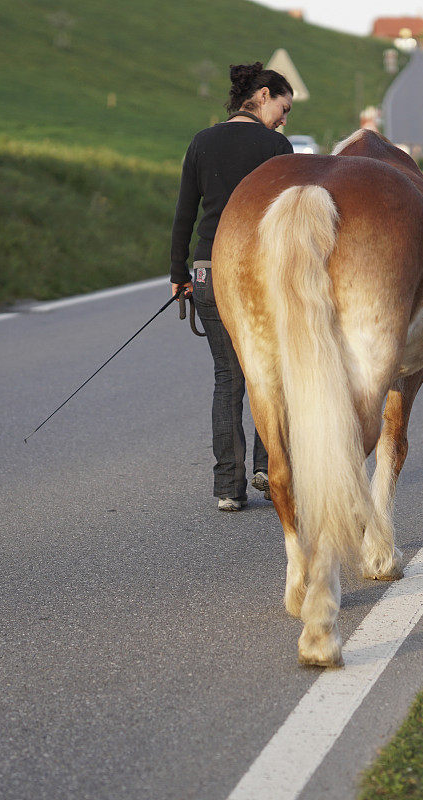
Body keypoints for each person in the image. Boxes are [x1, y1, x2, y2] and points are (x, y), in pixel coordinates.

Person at [170, 62, 294, 511]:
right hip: (261, 273)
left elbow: (186, 213)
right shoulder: (277, 146)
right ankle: (268, 466)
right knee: (271, 373)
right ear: (262, 95)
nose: (284, 118)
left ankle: (228, 489)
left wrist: (179, 275)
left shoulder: (202, 142)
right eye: (283, 107)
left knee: (228, 379)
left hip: (207, 271)